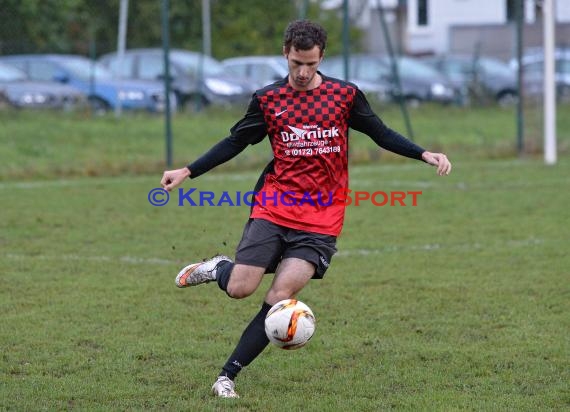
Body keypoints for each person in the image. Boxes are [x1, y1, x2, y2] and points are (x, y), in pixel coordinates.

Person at [160, 19, 452, 398]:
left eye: (310, 64)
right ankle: (219, 268)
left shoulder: (344, 96)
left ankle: (226, 376)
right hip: (274, 207)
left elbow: (380, 132)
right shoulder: (268, 100)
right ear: (285, 54)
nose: (302, 72)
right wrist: (188, 170)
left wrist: (423, 153)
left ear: (321, 58)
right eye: (296, 62)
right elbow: (235, 142)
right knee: (240, 288)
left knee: (279, 294)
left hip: (321, 219)